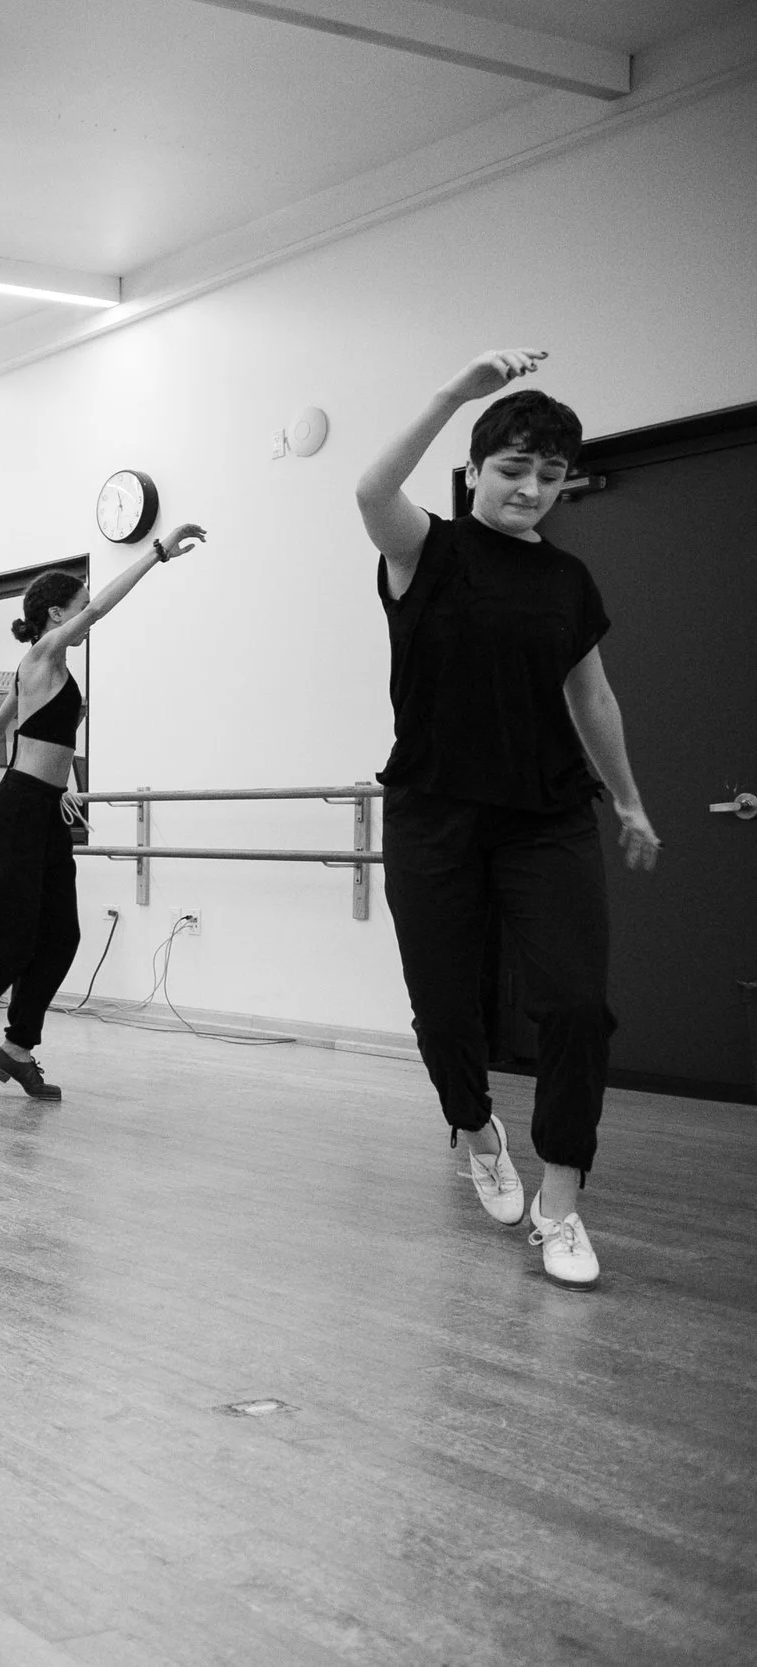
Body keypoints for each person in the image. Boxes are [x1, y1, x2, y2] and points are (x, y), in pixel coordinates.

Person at [355, 349, 657, 1291]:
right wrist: (453, 392)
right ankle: (476, 1129)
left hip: (546, 814)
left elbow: (592, 697)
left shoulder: (568, 581)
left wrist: (629, 799)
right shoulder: (426, 550)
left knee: (575, 1004)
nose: (531, 488)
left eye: (550, 474)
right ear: (476, 469)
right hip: (434, 812)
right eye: (513, 468)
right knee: (446, 1007)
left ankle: (560, 1204)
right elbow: (370, 488)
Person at [0, 527, 203, 1101]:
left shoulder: (37, 668)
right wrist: (157, 553)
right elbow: (101, 609)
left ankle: (16, 1049)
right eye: (78, 606)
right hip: (20, 810)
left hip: (44, 812)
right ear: (57, 615)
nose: (86, 613)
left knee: (60, 935)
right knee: (7, 942)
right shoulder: (43, 654)